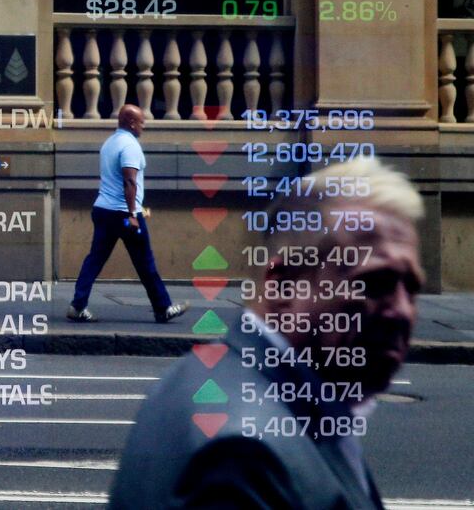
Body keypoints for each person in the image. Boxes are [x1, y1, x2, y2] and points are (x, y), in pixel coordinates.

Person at [109, 158, 424, 509]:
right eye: (374, 283)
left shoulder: (201, 381)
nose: (402, 311)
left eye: (411, 288)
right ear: (284, 285)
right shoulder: (240, 459)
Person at [67, 104, 188, 324]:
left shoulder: (110, 143)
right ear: (132, 122)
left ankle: (78, 305)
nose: (144, 126)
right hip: (123, 213)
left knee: (94, 260)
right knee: (145, 263)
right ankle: (163, 308)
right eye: (142, 122)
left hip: (103, 209)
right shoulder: (129, 145)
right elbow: (130, 181)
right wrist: (133, 213)